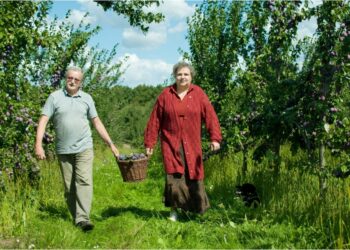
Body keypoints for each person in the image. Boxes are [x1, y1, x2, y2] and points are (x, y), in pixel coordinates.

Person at [35, 66, 119, 231]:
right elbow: (43, 120)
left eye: (76, 79)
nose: (72, 81)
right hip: (63, 149)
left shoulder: (87, 98)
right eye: (70, 78)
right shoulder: (54, 97)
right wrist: (38, 144)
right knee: (69, 186)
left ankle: (83, 219)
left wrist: (111, 144)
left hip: (84, 147)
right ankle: (76, 217)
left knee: (84, 181)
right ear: (66, 78)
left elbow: (96, 122)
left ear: (81, 83)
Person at [144, 61, 222, 221]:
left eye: (186, 74)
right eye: (179, 74)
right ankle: (174, 211)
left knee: (193, 176)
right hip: (170, 144)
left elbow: (211, 116)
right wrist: (149, 142)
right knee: (174, 178)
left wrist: (215, 137)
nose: (182, 77)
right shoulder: (166, 95)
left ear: (191, 76)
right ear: (174, 76)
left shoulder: (199, 94)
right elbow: (154, 120)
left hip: (192, 145)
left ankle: (196, 211)